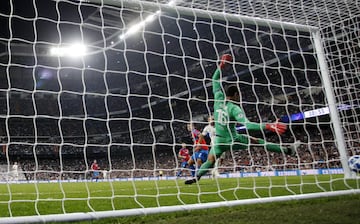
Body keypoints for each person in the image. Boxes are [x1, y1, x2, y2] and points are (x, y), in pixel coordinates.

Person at [185, 54, 300, 185]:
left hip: (218, 141)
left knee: (210, 160)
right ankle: (288, 151)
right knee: (259, 141)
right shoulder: (235, 108)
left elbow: (215, 80)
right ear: (235, 95)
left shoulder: (218, 98)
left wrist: (221, 66)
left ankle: (197, 176)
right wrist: (268, 126)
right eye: (239, 95)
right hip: (232, 139)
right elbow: (248, 125)